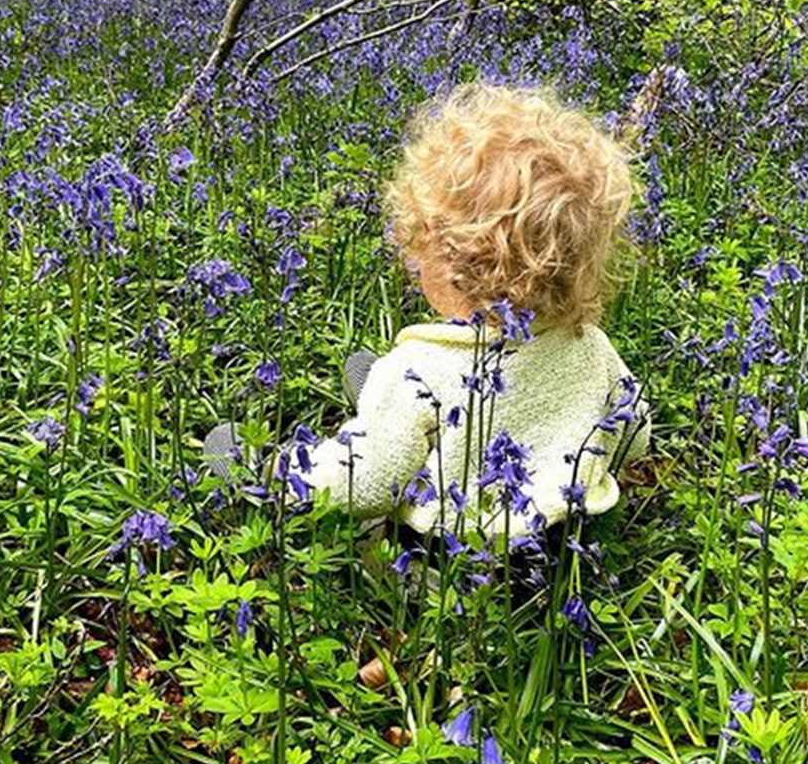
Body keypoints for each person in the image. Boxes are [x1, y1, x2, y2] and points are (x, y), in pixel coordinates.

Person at [205, 81, 649, 542]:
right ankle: (391, 411)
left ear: (459, 267)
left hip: (442, 567)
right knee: (407, 400)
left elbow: (369, 484)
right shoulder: (592, 348)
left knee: (385, 437)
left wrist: (288, 476)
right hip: (565, 554)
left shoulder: (423, 369)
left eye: (422, 246)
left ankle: (283, 466)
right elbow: (633, 435)